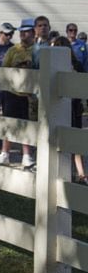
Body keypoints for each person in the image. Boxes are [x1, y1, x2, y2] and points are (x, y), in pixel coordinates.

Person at [0, 18, 36, 168]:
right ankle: (5, 153)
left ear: (32, 33)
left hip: (30, 95)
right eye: (21, 32)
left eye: (26, 32)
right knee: (9, 123)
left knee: (27, 125)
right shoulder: (13, 50)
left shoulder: (38, 50)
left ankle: (26, 155)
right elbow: (3, 70)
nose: (23, 35)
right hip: (13, 93)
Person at [51, 36, 87, 184]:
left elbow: (83, 83)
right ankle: (61, 173)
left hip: (74, 108)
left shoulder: (77, 64)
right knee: (58, 141)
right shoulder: (51, 65)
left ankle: (81, 174)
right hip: (57, 108)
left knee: (75, 141)